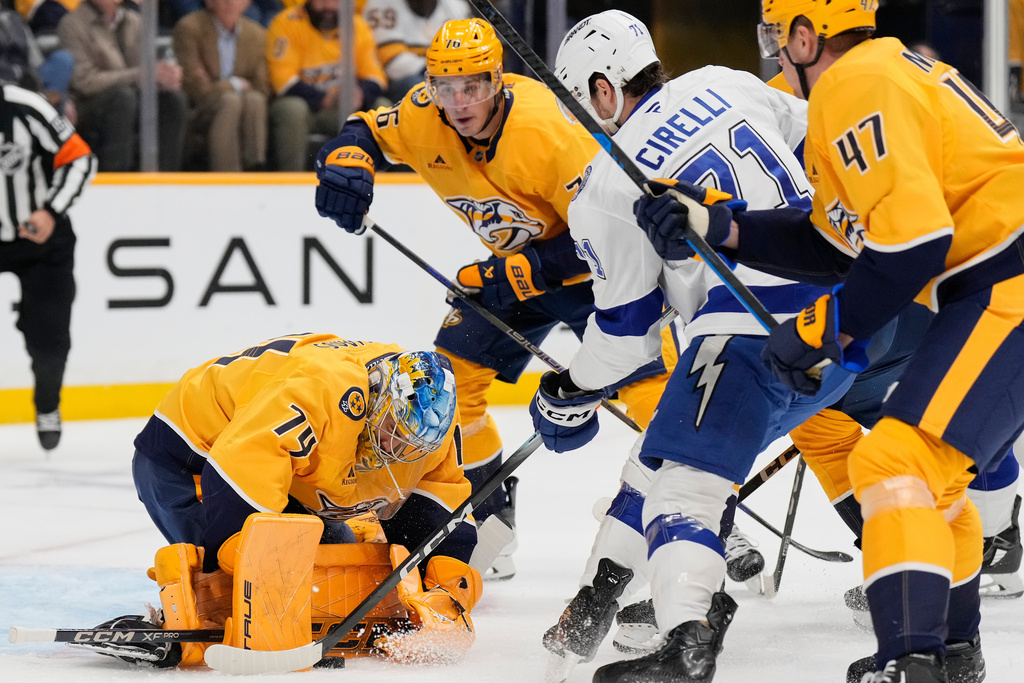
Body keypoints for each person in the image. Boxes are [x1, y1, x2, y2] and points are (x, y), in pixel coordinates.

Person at [634, 0, 1024, 679]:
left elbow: (913, 245)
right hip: (987, 285)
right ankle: (955, 653)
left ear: (806, 36)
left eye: (776, 36)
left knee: (892, 465)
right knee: (932, 482)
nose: (775, 53)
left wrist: (822, 329)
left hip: (1003, 283)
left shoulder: (855, 84)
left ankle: (914, 661)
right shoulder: (881, 74)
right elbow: (832, 243)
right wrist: (721, 225)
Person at [531, 10, 857, 683]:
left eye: (576, 102)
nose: (578, 120)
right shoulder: (724, 81)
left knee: (681, 488)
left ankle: (687, 636)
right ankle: (592, 603)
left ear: (602, 90)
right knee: (658, 455)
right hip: (854, 305)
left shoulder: (607, 184)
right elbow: (823, 141)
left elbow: (626, 339)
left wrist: (567, 389)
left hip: (749, 333)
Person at [312, 17, 677, 581]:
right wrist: (347, 157)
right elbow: (366, 129)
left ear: (497, 80)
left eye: (473, 86)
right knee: (449, 386)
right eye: (445, 87)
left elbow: (610, 230)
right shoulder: (423, 115)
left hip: (593, 269)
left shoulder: (549, 130)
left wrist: (525, 270)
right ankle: (489, 517)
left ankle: (692, 507)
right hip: (515, 270)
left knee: (651, 383)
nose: (459, 102)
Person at [70, 332, 482, 667]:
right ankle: (176, 626)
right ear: (375, 398)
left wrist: (443, 585)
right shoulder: (317, 392)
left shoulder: (429, 417)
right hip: (193, 454)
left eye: (410, 445)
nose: (397, 449)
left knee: (326, 575)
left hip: (284, 472)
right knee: (236, 585)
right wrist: (251, 584)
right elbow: (239, 471)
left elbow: (441, 500)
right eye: (391, 430)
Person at [0, 82, 96, 450]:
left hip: (40, 238)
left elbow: (80, 158)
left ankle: (47, 404)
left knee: (49, 335)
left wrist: (51, 211)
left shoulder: (25, 107)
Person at [57, 0, 189, 172]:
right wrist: (139, 75)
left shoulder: (135, 20)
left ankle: (165, 176)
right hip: (90, 105)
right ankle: (117, 176)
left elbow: (146, 69)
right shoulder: (71, 24)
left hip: (133, 97)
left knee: (172, 99)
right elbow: (84, 82)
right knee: (123, 98)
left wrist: (165, 76)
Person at [266, 0, 386, 171]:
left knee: (382, 107)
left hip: (346, 107)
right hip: (309, 111)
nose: (328, 6)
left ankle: (382, 179)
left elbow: (376, 76)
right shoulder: (287, 22)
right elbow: (283, 81)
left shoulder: (357, 25)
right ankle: (291, 179)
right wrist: (324, 98)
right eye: (322, 0)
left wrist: (360, 94)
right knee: (292, 108)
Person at [173, 0, 271, 171]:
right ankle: (227, 174)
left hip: (243, 103)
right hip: (200, 108)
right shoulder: (189, 27)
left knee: (255, 99)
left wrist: (219, 85)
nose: (230, 3)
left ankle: (255, 169)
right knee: (230, 101)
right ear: (210, 2)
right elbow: (195, 85)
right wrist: (235, 83)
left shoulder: (256, 33)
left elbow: (262, 86)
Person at [361, 0, 470, 102]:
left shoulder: (456, 5)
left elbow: (469, 51)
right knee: (417, 85)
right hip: (399, 82)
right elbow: (393, 63)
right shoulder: (381, 4)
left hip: (448, 74)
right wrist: (442, 70)